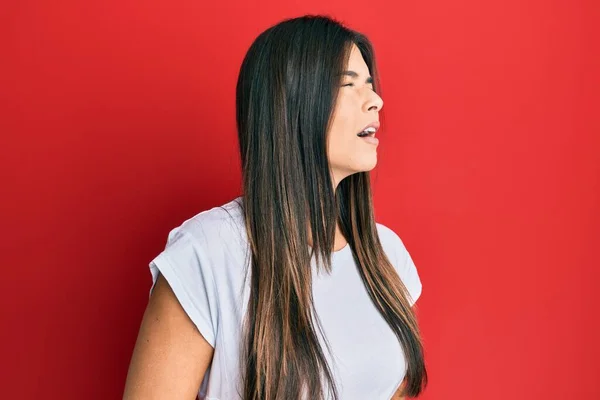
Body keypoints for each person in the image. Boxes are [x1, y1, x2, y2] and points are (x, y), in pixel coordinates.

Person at [123, 14, 427, 400]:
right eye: (348, 84)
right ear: (293, 105)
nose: (376, 100)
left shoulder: (387, 257)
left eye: (369, 84)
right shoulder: (206, 255)